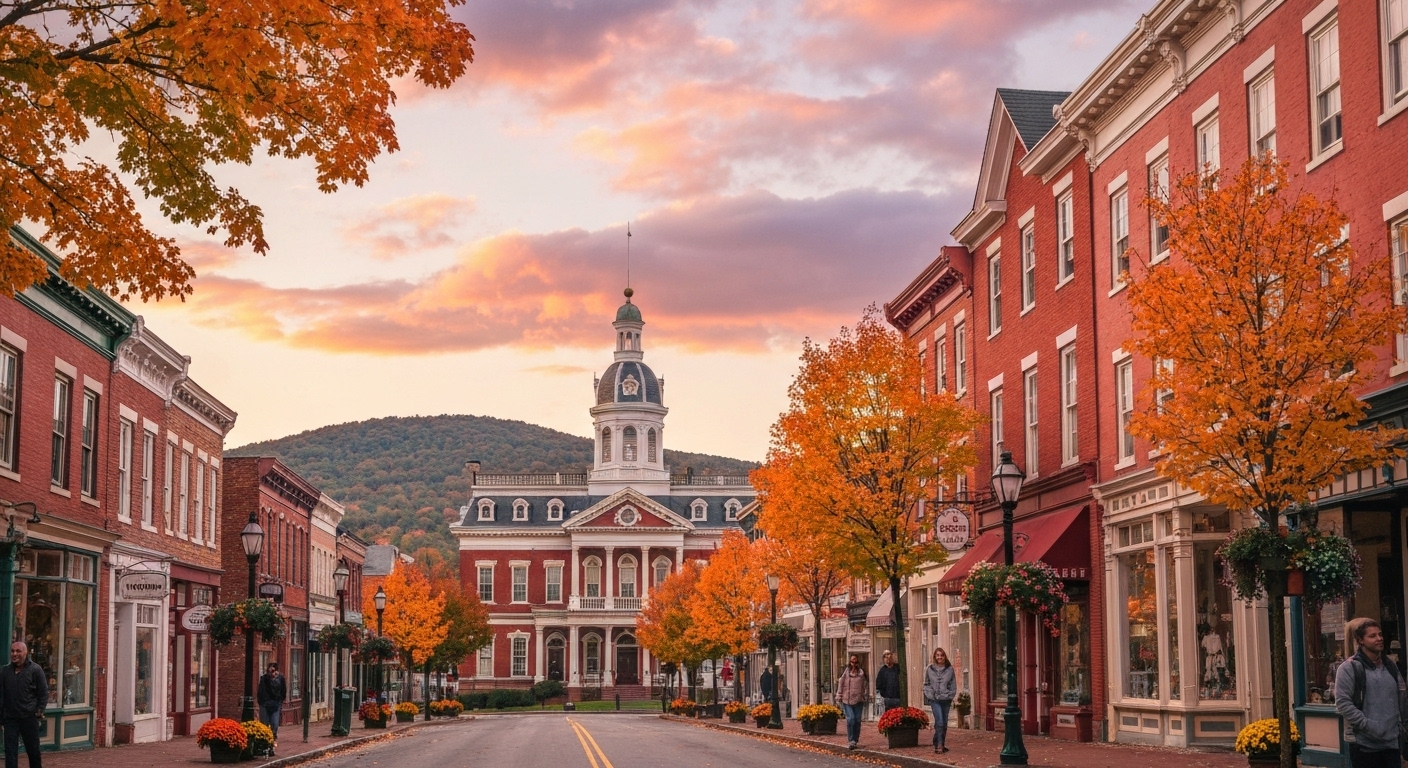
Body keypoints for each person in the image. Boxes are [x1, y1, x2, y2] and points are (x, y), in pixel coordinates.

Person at [1334, 618, 1407, 768]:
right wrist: (1369, 726)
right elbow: (1343, 703)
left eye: (1380, 634)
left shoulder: (1390, 666)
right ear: (1360, 640)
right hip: (1364, 746)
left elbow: (1401, 696)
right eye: (1372, 636)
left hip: (1391, 744)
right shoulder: (1349, 668)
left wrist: (1399, 727)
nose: (1379, 638)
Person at [1, 641, 47, 768]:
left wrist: (40, 709)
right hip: (10, 719)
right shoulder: (5, 672)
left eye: (18, 651)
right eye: (12, 651)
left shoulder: (35, 670)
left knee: (33, 751)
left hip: (28, 718)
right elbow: (1, 695)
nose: (14, 654)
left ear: (25, 653)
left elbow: (43, 692)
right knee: (10, 753)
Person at [923, 648, 957, 754]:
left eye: (941, 655)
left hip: (946, 699)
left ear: (944, 657)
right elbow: (926, 684)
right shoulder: (930, 669)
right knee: (940, 721)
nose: (939, 657)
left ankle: (938, 741)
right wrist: (930, 695)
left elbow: (953, 684)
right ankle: (939, 745)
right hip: (935, 700)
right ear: (935, 656)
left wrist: (950, 695)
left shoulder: (950, 669)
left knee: (944, 723)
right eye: (938, 655)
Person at [836, 654, 870, 750]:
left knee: (857, 720)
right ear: (849, 662)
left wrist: (865, 695)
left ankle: (855, 739)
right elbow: (841, 683)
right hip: (847, 699)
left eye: (855, 662)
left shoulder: (861, 673)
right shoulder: (846, 673)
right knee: (851, 719)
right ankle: (851, 740)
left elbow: (865, 685)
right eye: (852, 662)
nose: (854, 664)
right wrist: (839, 695)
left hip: (859, 700)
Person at [257, 663, 287, 741]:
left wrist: (280, 701)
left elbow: (283, 691)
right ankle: (265, 740)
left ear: (276, 671)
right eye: (269, 670)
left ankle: (273, 737)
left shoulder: (281, 679)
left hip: (276, 704)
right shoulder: (264, 678)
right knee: (264, 724)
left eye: (273, 670)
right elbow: (260, 690)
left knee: (274, 723)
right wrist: (261, 701)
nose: (271, 672)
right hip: (265, 704)